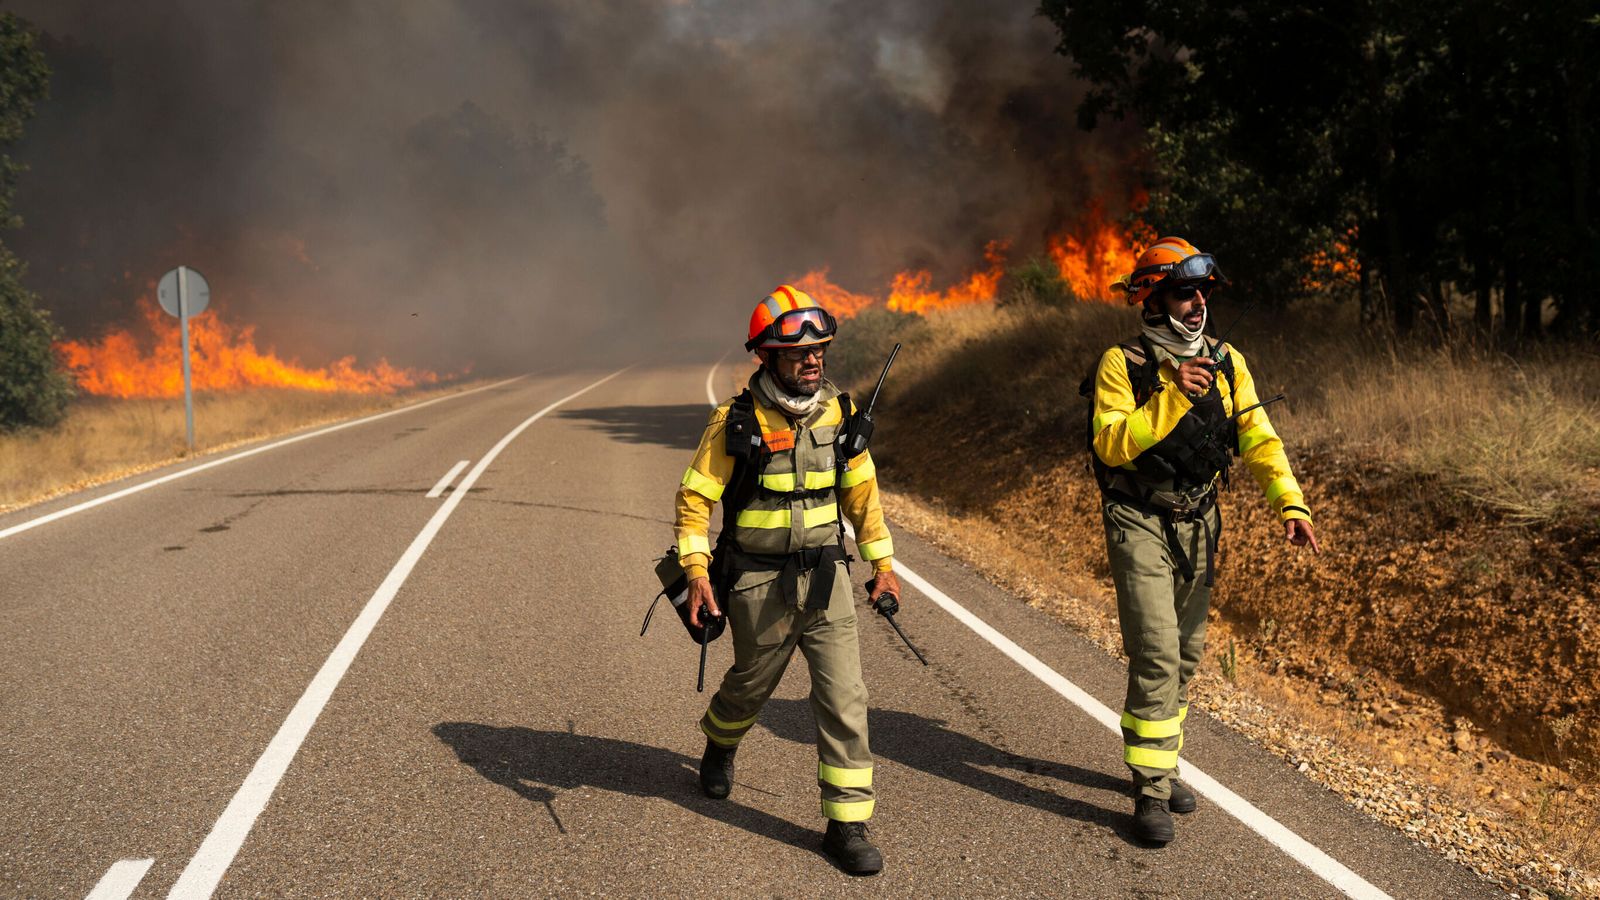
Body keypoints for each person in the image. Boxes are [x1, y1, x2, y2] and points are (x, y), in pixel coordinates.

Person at [1090, 237, 1319, 844]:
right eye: (1183, 293)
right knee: (1158, 650)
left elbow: (1259, 437)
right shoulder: (1123, 363)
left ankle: (1161, 757)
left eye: (1202, 293)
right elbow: (1111, 444)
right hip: (1138, 517)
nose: (1197, 305)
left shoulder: (1227, 360)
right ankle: (1150, 788)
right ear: (1154, 299)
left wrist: (1289, 502)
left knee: (1187, 654)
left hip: (1200, 522)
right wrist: (1173, 396)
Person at [674, 284, 901, 875]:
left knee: (845, 697)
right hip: (756, 584)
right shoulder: (736, 420)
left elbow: (863, 499)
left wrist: (883, 567)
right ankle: (721, 743)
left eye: (821, 350)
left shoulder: (841, 415)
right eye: (799, 352)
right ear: (766, 357)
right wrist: (697, 573)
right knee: (748, 686)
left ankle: (847, 823)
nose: (814, 360)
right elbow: (694, 502)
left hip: (826, 580)